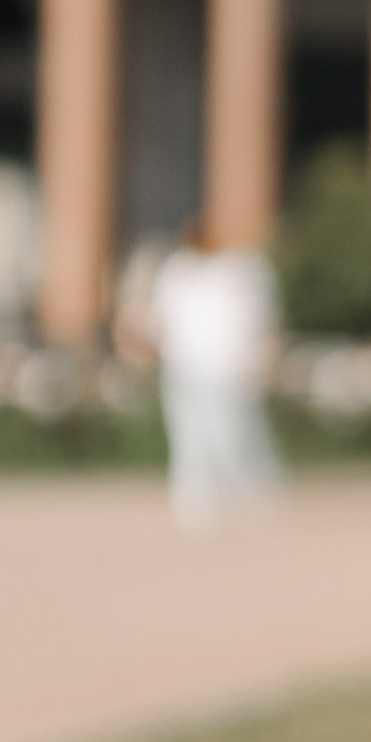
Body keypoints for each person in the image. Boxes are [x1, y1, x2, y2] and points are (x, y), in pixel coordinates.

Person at [148, 216, 281, 527]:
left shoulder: (239, 270)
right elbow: (162, 321)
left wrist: (253, 357)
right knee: (189, 436)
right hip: (184, 366)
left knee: (234, 433)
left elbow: (255, 319)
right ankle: (196, 498)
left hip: (226, 368)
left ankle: (253, 491)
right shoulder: (177, 272)